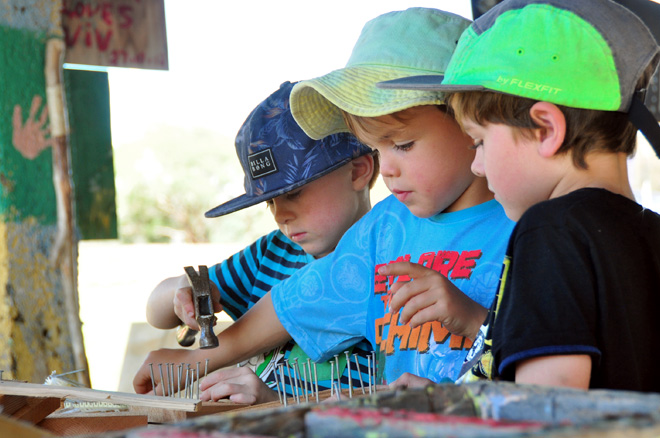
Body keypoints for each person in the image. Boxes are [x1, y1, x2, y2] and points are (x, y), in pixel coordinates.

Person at [133, 7, 515, 397]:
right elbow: (288, 307)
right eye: (377, 146)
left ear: (472, 121)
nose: (389, 169)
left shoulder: (529, 227)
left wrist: (474, 320)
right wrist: (195, 360)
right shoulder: (381, 233)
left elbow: (560, 368)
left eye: (402, 144)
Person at [379, 0, 660, 391]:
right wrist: (450, 405)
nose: (477, 166)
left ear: (545, 129)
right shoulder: (650, 233)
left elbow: (547, 404)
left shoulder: (549, 231)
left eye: (479, 142)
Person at [144, 81, 379, 404]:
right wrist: (180, 292)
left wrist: (273, 402)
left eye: (293, 193)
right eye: (269, 202)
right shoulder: (271, 255)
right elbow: (156, 313)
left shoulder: (391, 256)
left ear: (357, 171)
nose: (280, 214)